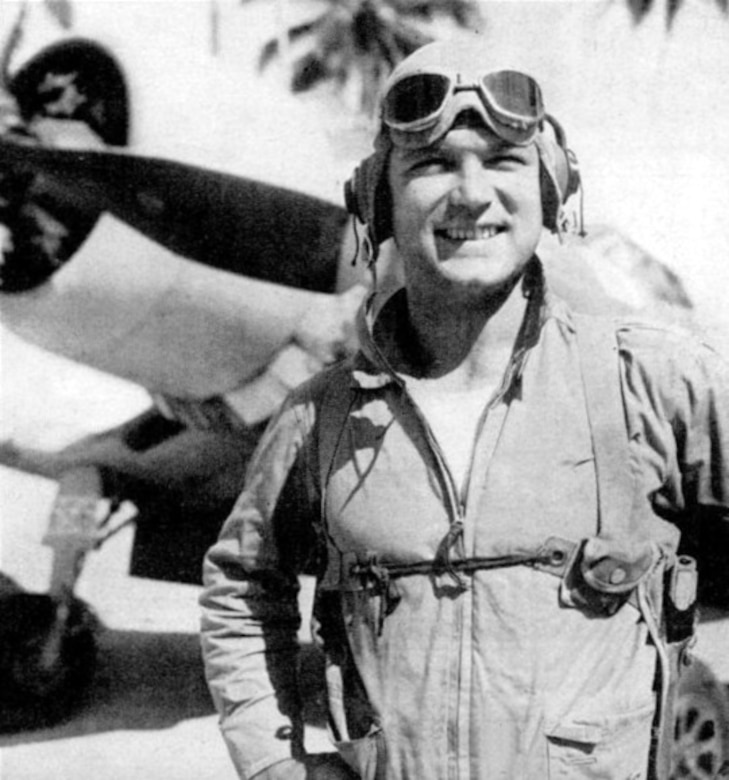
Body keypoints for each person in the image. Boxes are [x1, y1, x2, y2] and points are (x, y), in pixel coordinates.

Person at [200, 39, 729, 779]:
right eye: (432, 164)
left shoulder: (651, 382)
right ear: (377, 200)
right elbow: (242, 586)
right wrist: (270, 762)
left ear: (551, 190)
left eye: (503, 160)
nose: (471, 192)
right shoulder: (319, 419)